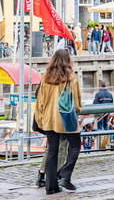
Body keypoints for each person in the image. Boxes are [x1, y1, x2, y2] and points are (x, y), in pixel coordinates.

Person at [35, 49, 83, 194]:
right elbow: (77, 104)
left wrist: (41, 120)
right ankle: (65, 175)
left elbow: (40, 102)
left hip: (49, 120)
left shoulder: (45, 79)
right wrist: (78, 110)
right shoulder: (70, 79)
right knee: (75, 146)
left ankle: (50, 187)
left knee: (52, 151)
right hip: (66, 120)